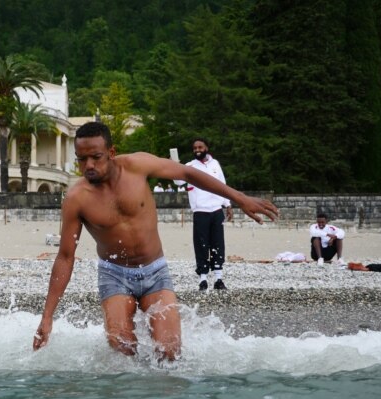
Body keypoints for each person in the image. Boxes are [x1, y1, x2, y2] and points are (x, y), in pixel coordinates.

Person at [32, 122, 278, 361]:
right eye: (81, 159)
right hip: (114, 275)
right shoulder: (77, 198)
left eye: (96, 157)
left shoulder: (137, 166)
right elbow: (65, 256)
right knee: (122, 352)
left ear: (111, 152)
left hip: (155, 272)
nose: (88, 165)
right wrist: (47, 317)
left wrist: (239, 197)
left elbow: (188, 173)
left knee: (169, 353)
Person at [174, 137, 232, 291]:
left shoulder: (215, 164)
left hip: (216, 209)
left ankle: (219, 278)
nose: (197, 150)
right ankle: (203, 278)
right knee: (201, 245)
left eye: (200, 147)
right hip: (200, 211)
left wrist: (228, 204)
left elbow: (222, 184)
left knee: (218, 243)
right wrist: (174, 166)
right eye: (195, 148)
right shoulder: (190, 166)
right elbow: (178, 182)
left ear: (207, 148)